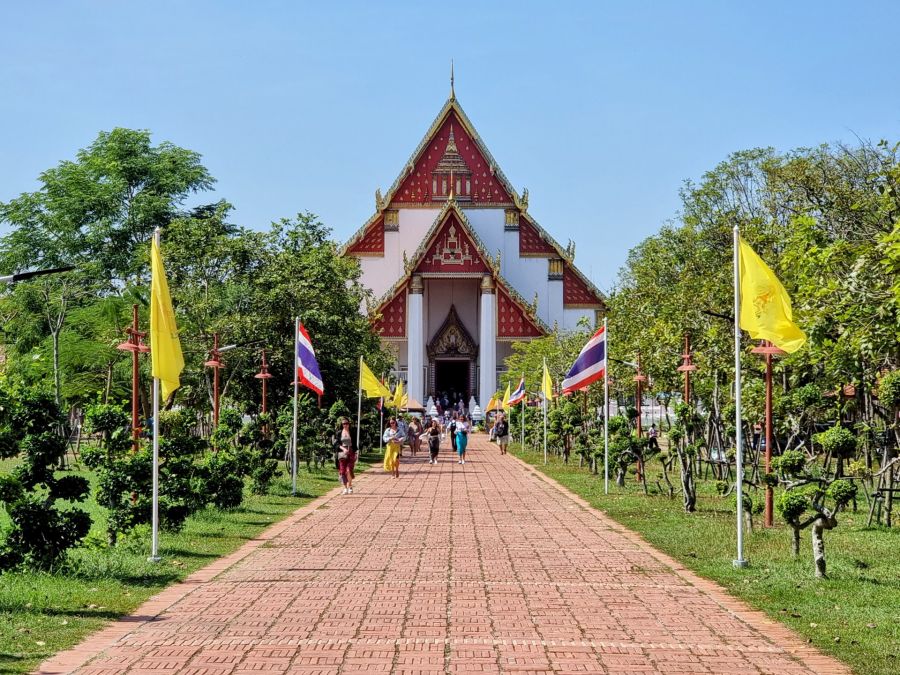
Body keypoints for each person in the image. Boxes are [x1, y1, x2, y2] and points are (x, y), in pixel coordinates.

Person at [335, 417, 358, 494]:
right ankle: (345, 488)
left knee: (349, 470)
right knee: (342, 471)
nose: (345, 425)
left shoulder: (352, 432)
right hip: (342, 453)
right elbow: (336, 444)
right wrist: (343, 449)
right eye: (344, 424)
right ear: (341, 425)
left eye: (347, 423)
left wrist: (356, 453)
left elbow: (355, 444)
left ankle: (350, 486)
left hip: (351, 452)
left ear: (349, 424)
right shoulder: (339, 433)